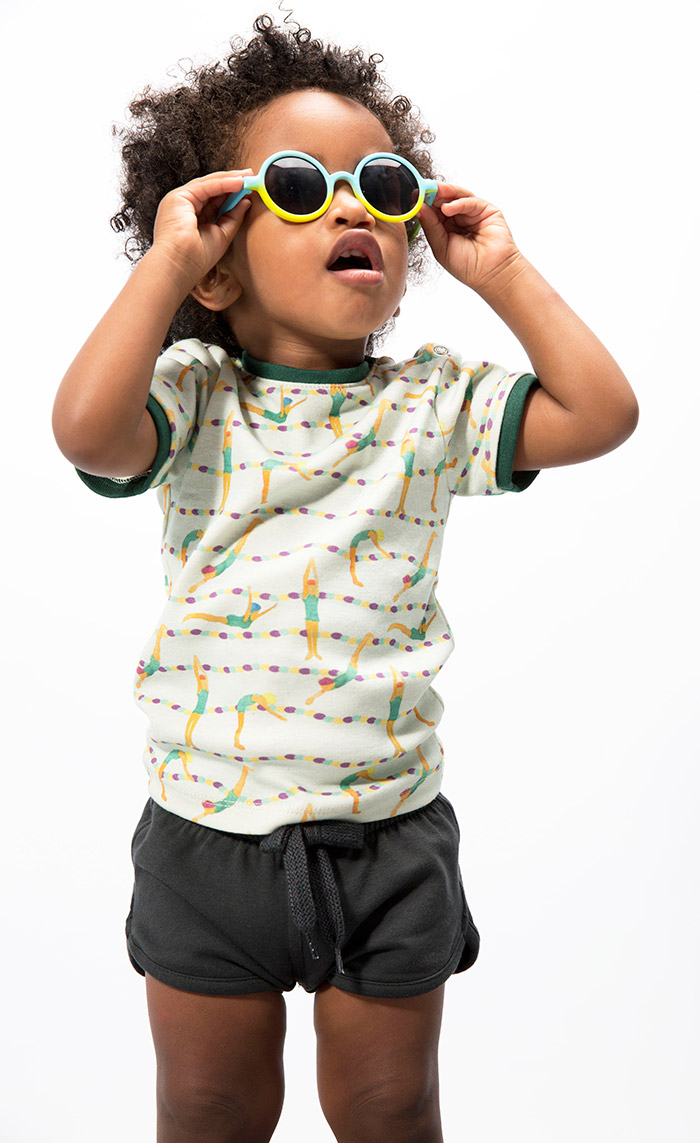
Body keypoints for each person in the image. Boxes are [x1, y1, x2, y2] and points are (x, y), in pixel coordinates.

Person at [52, 13, 638, 1143]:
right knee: (208, 1108)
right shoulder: (193, 394)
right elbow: (85, 431)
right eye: (298, 186)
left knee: (388, 1106)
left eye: (382, 185)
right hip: (207, 830)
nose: (355, 208)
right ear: (218, 261)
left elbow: (601, 413)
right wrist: (166, 265)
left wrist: (503, 273)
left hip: (388, 833)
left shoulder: (433, 402)